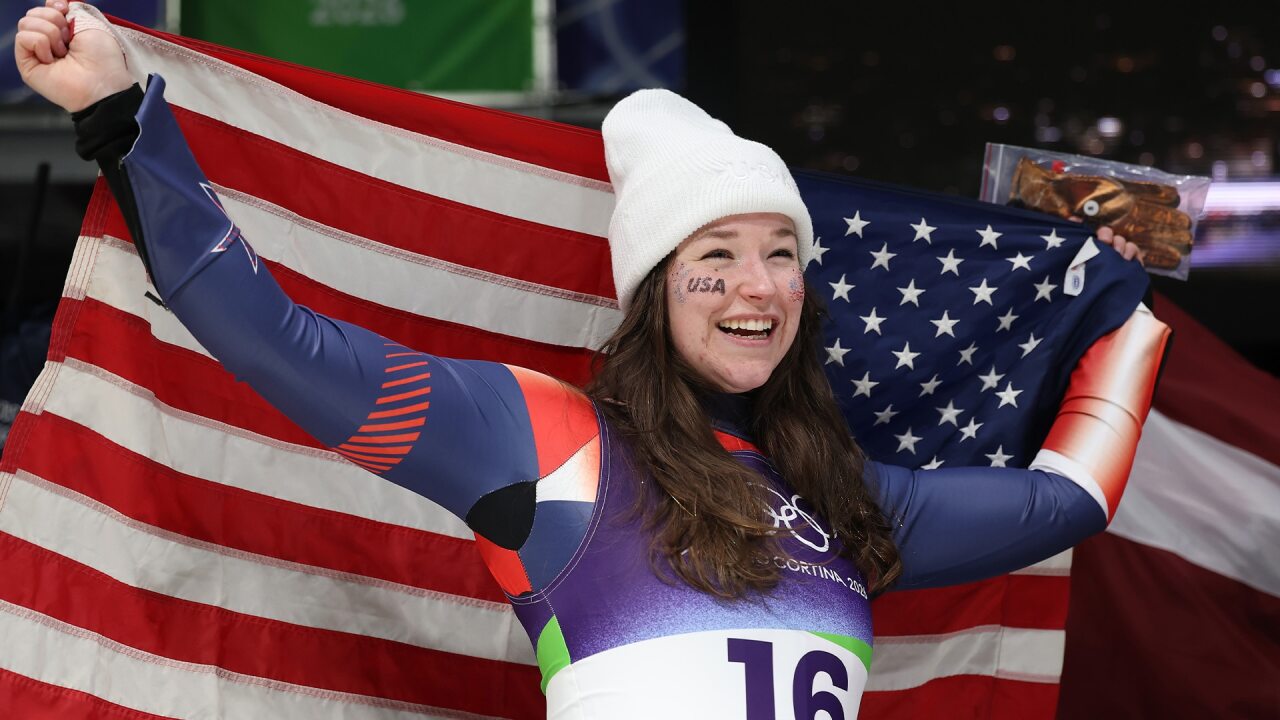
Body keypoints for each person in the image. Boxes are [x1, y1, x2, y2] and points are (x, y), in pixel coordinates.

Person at [15, 2, 1169, 717]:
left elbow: (1069, 498)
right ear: (650, 291)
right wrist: (123, 121)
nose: (754, 284)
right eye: (712, 255)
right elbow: (270, 337)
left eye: (779, 253)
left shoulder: (844, 506)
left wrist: (1126, 311)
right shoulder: (544, 442)